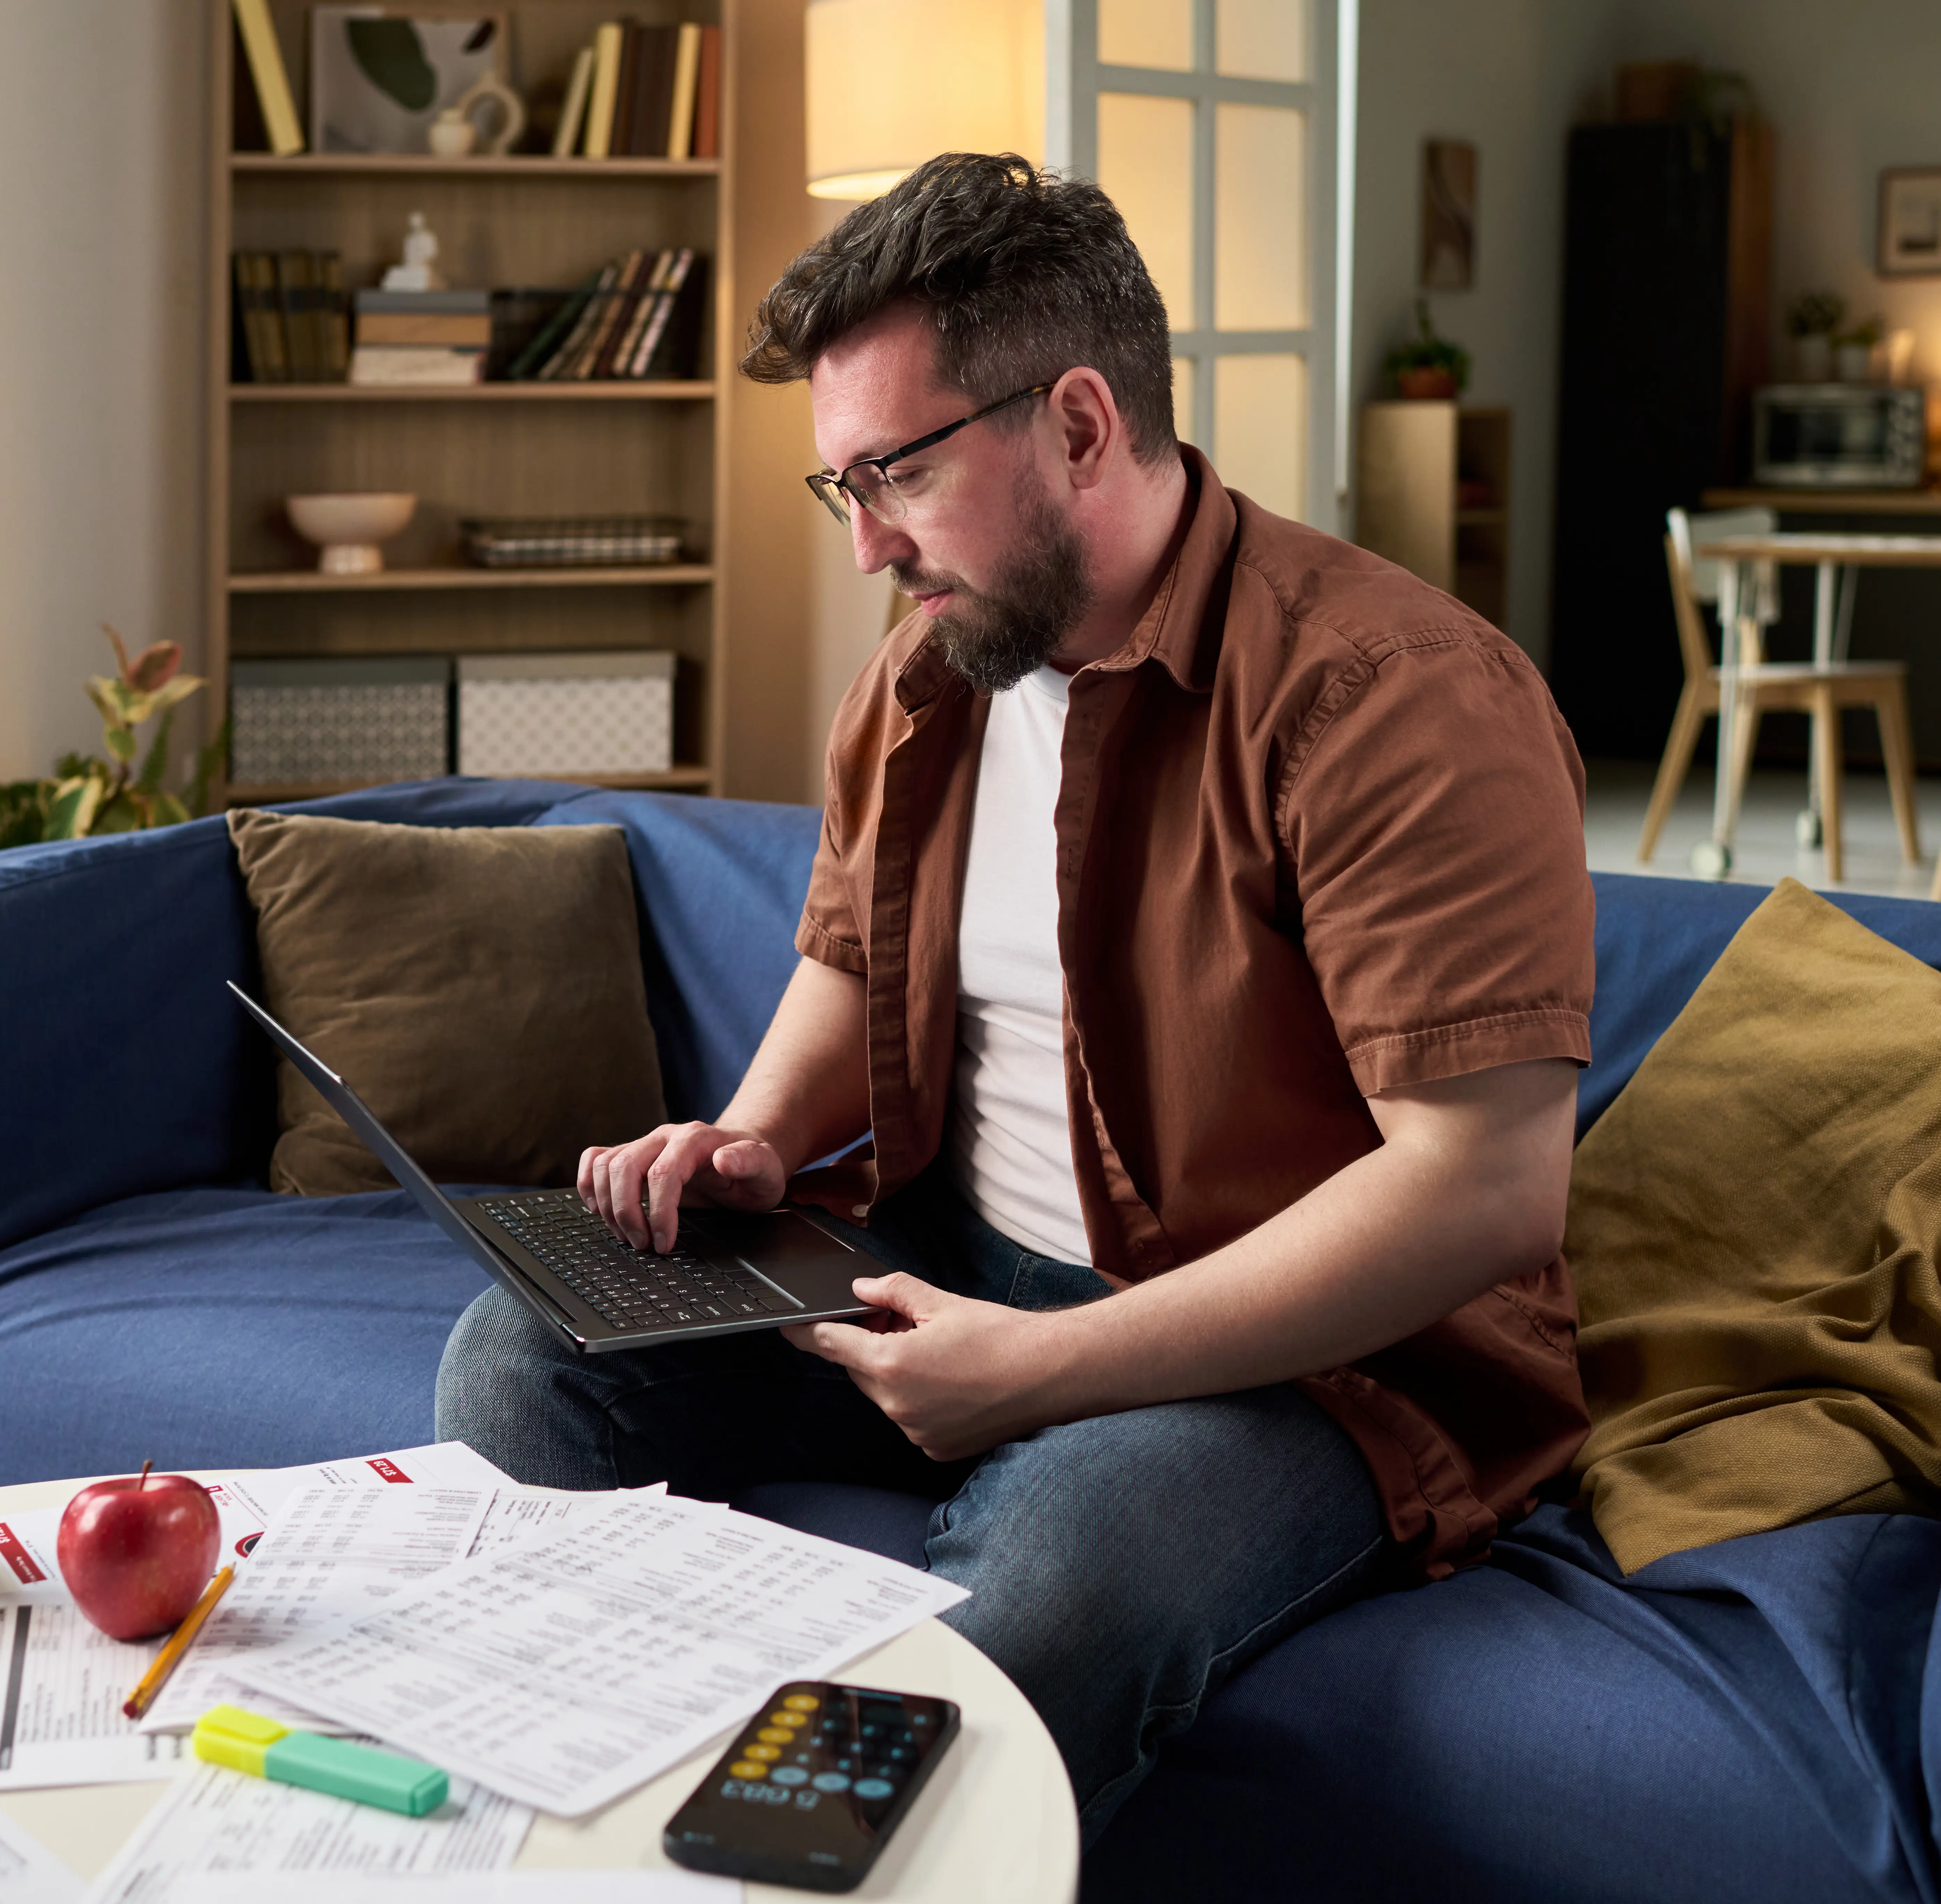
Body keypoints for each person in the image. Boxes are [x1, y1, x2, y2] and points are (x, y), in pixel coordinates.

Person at [434, 153, 1596, 1838]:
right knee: (531, 1345)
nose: (864, 551)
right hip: (949, 1258)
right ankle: (573, 1827)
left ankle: (765, 1869)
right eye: (835, 490)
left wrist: (1043, 1372)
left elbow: (1482, 1187)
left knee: (1056, 1583)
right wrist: (751, 1143)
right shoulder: (936, 667)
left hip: (1302, 1362)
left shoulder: (1396, 699)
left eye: (894, 474)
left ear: (1075, 423)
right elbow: (849, 960)